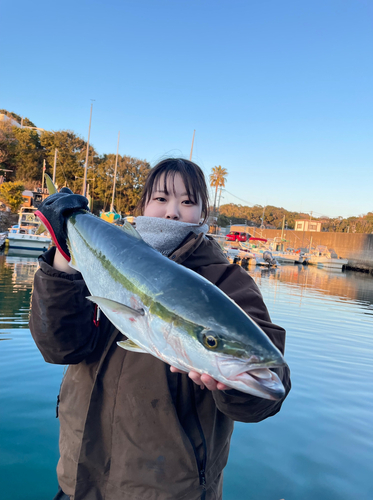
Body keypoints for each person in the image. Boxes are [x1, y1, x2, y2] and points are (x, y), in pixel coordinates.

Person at [30, 158, 291, 500]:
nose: (172, 212)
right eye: (161, 198)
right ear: (142, 206)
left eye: (187, 202)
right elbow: (59, 347)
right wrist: (63, 256)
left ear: (202, 215)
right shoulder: (100, 257)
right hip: (79, 480)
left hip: (168, 491)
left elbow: (267, 390)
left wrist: (232, 387)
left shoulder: (228, 282)